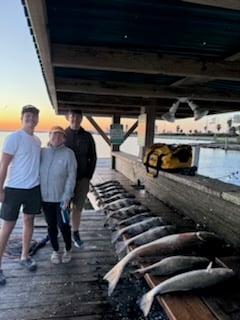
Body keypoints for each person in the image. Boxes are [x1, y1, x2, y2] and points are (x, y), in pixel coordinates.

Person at [0, 105, 41, 285]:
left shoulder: (38, 141)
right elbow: (3, 165)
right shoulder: (13, 137)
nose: (31, 119)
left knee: (28, 221)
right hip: (14, 189)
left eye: (34, 117)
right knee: (7, 227)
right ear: (22, 118)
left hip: (33, 188)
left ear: (37, 120)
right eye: (28, 116)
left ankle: (24, 257)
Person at [40, 126, 77, 264]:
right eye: (54, 134)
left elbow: (71, 177)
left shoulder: (69, 154)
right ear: (49, 135)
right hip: (45, 199)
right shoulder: (42, 152)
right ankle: (55, 251)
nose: (57, 137)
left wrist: (67, 197)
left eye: (60, 135)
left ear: (64, 138)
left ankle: (68, 249)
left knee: (64, 225)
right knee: (51, 226)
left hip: (62, 200)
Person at [65, 109, 97, 248]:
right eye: (72, 117)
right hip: (64, 179)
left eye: (78, 117)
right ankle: (64, 231)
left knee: (77, 208)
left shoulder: (88, 136)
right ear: (68, 118)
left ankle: (75, 233)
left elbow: (93, 157)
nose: (75, 120)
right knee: (63, 206)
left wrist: (88, 176)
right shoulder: (62, 134)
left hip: (82, 178)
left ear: (81, 119)